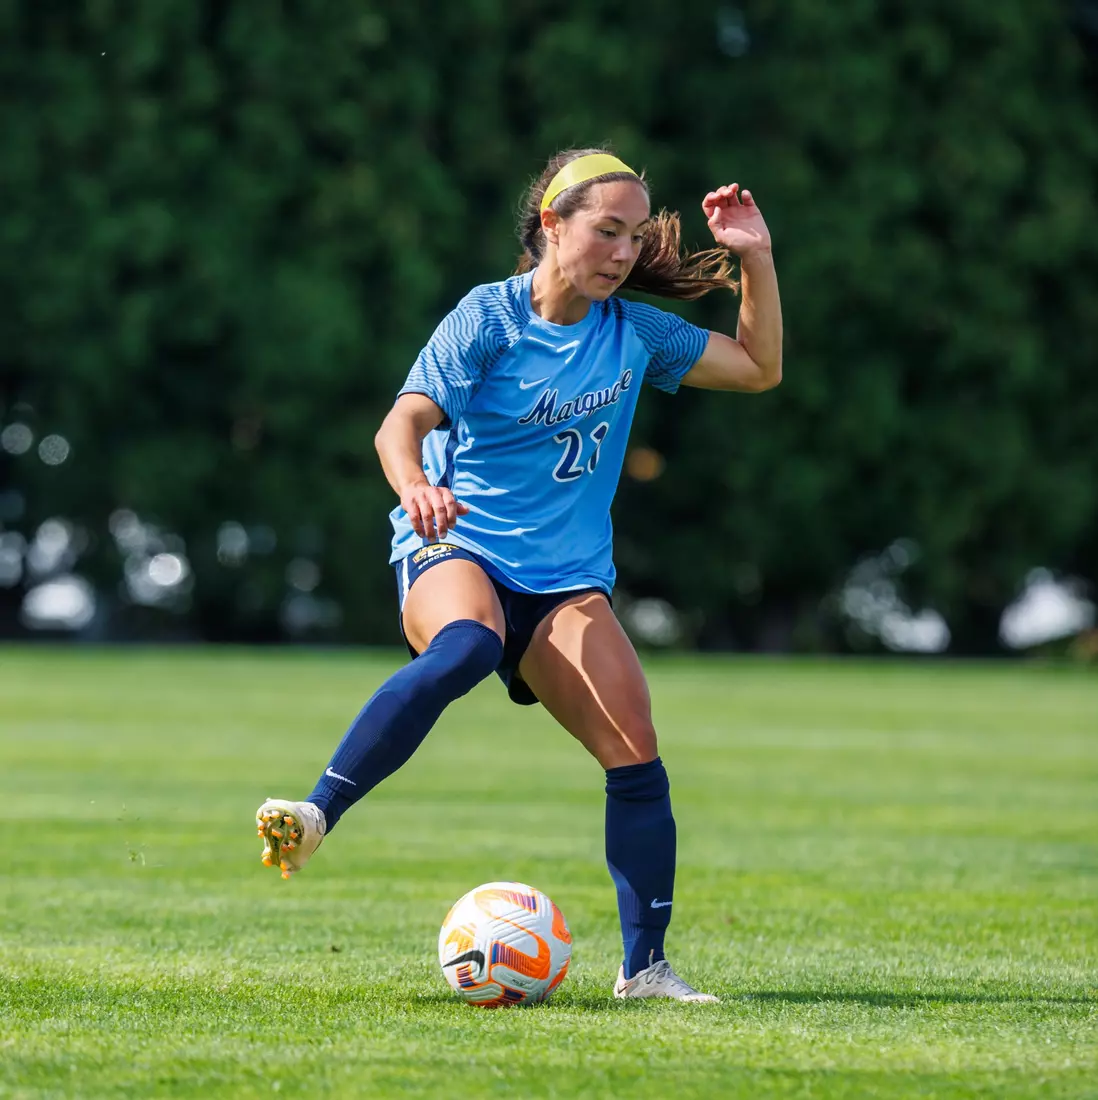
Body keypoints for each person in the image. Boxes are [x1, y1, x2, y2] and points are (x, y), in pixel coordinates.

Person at [257, 147, 782, 1002]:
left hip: (566, 580)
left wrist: (754, 257)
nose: (623, 253)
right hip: (458, 548)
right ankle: (315, 814)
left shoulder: (635, 333)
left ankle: (645, 970)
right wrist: (417, 485)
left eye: (635, 236)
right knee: (467, 644)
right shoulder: (489, 317)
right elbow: (403, 424)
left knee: (635, 749)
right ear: (552, 224)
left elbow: (759, 368)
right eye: (607, 231)